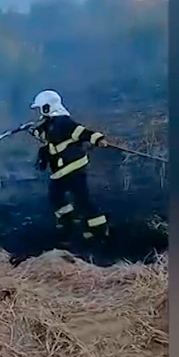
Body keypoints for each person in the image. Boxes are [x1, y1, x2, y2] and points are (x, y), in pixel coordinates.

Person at [28, 89, 110, 245]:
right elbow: (45, 135)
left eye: (41, 108)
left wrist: (98, 139)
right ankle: (69, 223)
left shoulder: (64, 122)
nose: (40, 111)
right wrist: (34, 130)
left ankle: (98, 230)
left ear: (47, 107)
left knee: (82, 200)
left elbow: (82, 132)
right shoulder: (49, 123)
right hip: (60, 170)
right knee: (56, 197)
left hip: (74, 167)